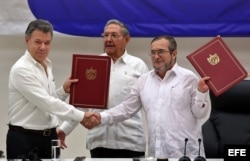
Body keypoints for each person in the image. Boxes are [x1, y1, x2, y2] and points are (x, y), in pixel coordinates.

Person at [85, 35, 211, 159]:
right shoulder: (143, 81)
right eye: (153, 53)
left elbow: (200, 114)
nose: (156, 57)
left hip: (186, 154)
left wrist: (202, 93)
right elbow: (126, 109)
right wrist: (100, 117)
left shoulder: (189, 78)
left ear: (174, 53)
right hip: (157, 154)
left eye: (161, 52)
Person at [6, 19, 98, 160]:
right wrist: (81, 116)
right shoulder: (22, 69)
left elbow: (49, 100)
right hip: (24, 139)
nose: (43, 47)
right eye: (38, 42)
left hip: (48, 138)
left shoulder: (46, 64)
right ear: (27, 40)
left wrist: (64, 90)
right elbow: (47, 103)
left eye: (47, 43)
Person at [58, 19, 148, 158]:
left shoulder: (138, 66)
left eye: (114, 35)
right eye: (105, 35)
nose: (108, 39)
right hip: (98, 140)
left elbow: (147, 104)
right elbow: (82, 105)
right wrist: (64, 130)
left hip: (130, 142)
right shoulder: (93, 66)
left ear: (127, 39)